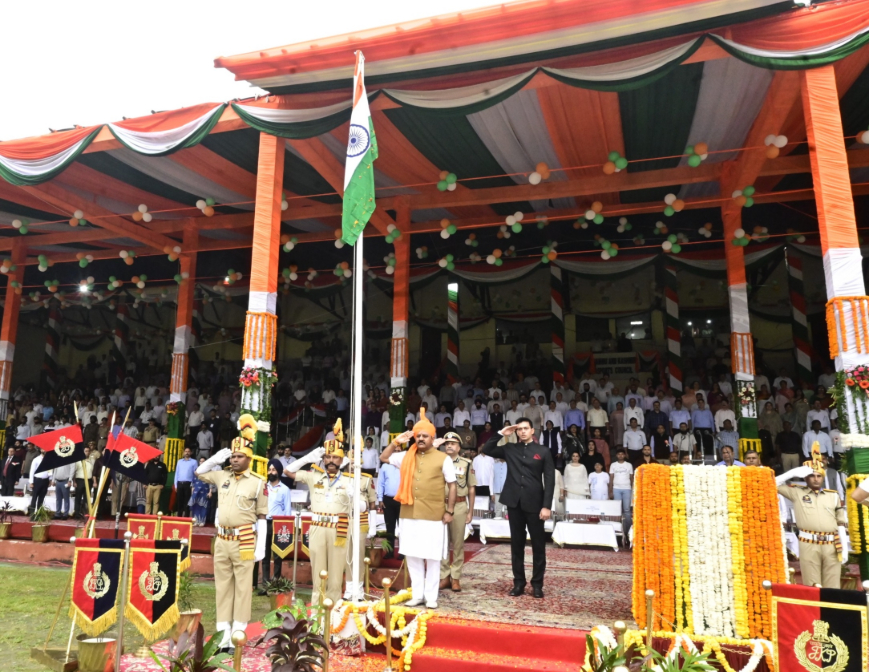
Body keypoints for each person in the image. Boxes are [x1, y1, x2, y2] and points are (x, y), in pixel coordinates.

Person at [195, 416, 268, 653]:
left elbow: (261, 517)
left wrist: (262, 548)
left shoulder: (258, 482)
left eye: (239, 457)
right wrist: (216, 458)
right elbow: (199, 471)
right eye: (233, 456)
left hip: (245, 539)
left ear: (249, 458)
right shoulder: (222, 475)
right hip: (223, 539)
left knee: (243, 587)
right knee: (223, 587)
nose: (235, 460)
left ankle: (237, 634)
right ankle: (222, 636)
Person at [380, 420, 457, 609]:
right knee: (412, 556)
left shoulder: (443, 458)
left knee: (432, 557)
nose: (421, 438)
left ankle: (431, 596)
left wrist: (450, 510)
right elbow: (384, 457)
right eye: (418, 435)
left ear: (432, 438)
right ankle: (417, 594)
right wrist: (395, 442)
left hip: (434, 514)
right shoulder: (406, 456)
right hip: (409, 513)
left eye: (425, 436)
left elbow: (452, 485)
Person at [480, 418, 554, 599]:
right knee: (517, 545)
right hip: (514, 502)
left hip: (535, 504)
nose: (522, 432)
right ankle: (519, 583)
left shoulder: (543, 451)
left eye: (525, 428)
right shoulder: (510, 448)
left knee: (538, 545)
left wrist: (546, 506)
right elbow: (487, 450)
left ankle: (537, 585)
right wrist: (501, 434)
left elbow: (550, 480)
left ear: (532, 430)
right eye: (519, 429)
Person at [776, 445, 846, 587]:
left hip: (832, 544)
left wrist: (844, 546)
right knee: (812, 586)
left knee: (832, 587)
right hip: (808, 543)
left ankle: (830, 610)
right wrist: (793, 472)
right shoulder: (797, 492)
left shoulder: (833, 495)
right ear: (805, 478)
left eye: (819, 476)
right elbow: (771, 483)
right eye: (811, 476)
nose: (815, 479)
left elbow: (840, 523)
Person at [439, 432, 476, 592]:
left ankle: (455, 578)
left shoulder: (467, 464)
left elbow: (472, 488)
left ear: (459, 447)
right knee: (442, 543)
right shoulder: (438, 461)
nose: (449, 446)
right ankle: (444, 576)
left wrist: (470, 512)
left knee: (458, 544)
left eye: (453, 443)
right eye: (447, 443)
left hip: (460, 507)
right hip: (441, 505)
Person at [258, 459, 291, 591]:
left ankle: (276, 583)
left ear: (279, 472)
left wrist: (288, 527)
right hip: (264, 522)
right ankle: (265, 584)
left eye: (274, 470)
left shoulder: (284, 489)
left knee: (278, 554)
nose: (271, 472)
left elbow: (287, 510)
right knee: (264, 554)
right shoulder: (263, 487)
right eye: (269, 470)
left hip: (278, 523)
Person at [376, 459, 401, 559]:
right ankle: (390, 551)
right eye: (394, 451)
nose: (396, 453)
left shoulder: (405, 465)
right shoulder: (385, 466)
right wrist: (380, 499)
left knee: (403, 527)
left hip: (402, 500)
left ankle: (402, 552)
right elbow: (380, 483)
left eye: (399, 451)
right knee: (390, 527)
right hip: (388, 500)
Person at [609, 449, 633, 532]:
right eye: (618, 454)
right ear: (616, 455)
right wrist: (610, 490)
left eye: (622, 454)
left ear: (625, 455)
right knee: (617, 509)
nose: (620, 456)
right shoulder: (613, 465)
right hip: (616, 489)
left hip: (627, 489)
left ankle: (628, 530)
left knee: (627, 510)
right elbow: (611, 478)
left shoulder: (629, 465)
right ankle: (618, 530)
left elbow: (631, 478)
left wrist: (632, 489)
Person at [189, 458, 213, 526]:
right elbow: (193, 482)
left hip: (205, 490)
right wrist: (192, 493)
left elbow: (211, 482)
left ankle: (202, 521)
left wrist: (210, 492)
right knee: (195, 506)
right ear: (199, 462)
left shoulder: (208, 471)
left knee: (203, 506)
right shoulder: (196, 470)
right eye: (200, 461)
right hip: (196, 491)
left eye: (203, 461)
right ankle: (195, 521)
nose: (202, 462)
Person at [174, 447, 197, 517]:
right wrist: (175, 485)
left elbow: (195, 474)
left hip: (188, 484)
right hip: (180, 483)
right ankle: (179, 516)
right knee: (179, 501)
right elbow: (176, 473)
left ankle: (186, 517)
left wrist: (193, 485)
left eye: (188, 451)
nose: (187, 453)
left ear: (190, 453)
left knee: (187, 501)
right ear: (183, 452)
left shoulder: (194, 462)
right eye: (185, 451)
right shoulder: (179, 461)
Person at [28, 449, 51, 516]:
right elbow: (32, 471)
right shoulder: (36, 459)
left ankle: (39, 514)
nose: (44, 450)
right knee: (34, 497)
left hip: (45, 480)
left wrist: (50, 479)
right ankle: (32, 514)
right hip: (37, 480)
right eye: (43, 449)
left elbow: (50, 470)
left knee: (41, 498)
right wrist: (31, 482)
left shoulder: (49, 459)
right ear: (41, 450)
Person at [73, 444, 93, 518]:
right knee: (78, 497)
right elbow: (74, 472)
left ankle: (85, 513)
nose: (86, 452)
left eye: (88, 451)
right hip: (80, 480)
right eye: (85, 451)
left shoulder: (92, 461)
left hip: (89, 481)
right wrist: (74, 481)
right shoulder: (78, 461)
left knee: (86, 498)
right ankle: (77, 513)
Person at [145, 450, 168, 515]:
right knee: (148, 501)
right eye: (155, 455)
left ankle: (154, 515)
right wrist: (145, 483)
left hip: (158, 486)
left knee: (156, 502)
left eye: (158, 455)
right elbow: (145, 474)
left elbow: (165, 475)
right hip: (149, 485)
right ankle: (147, 515)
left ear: (160, 456)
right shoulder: (149, 464)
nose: (157, 457)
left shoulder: (162, 465)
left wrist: (163, 484)